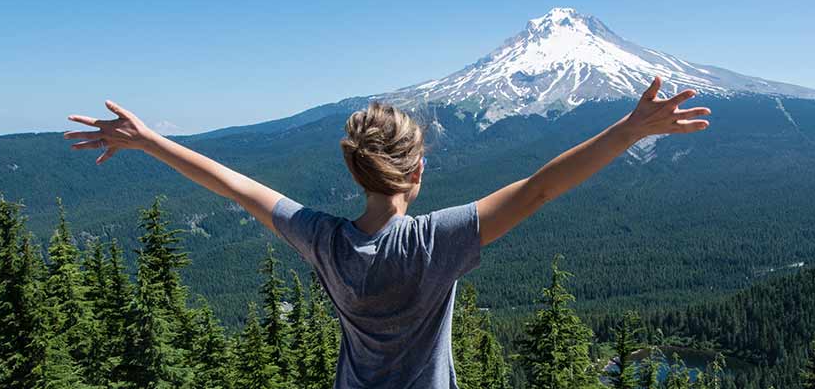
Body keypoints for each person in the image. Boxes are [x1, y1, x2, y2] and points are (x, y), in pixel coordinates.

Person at [64, 77, 711, 388]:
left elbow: (235, 187)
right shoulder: (436, 242)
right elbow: (541, 187)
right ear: (418, 171)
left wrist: (149, 141)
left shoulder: (323, 239)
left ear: (356, 170)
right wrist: (630, 130)